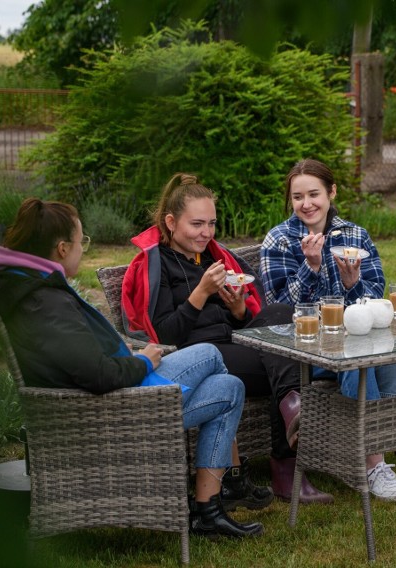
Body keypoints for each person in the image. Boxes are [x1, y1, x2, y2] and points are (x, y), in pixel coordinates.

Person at [0, 197, 263, 539]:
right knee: (210, 356)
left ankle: (208, 510)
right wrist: (142, 360)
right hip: (106, 411)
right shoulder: (45, 302)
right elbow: (99, 376)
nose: (84, 248)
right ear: (62, 248)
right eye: (83, 241)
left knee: (229, 387)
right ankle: (222, 492)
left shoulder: (31, 287)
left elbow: (78, 356)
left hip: (110, 397)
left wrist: (118, 350)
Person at [121, 174, 334, 505]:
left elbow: (243, 321)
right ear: (171, 222)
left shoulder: (212, 257)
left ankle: (292, 414)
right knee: (288, 363)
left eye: (212, 224)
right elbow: (163, 334)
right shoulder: (158, 264)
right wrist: (200, 293)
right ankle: (288, 453)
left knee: (278, 312)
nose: (206, 233)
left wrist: (238, 310)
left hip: (235, 345)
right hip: (199, 357)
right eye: (197, 224)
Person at [261, 158, 396, 503]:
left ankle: (381, 442)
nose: (306, 204)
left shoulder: (355, 235)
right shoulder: (280, 240)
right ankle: (373, 465)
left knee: (390, 349)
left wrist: (352, 282)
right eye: (298, 197)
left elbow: (372, 301)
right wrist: (311, 269)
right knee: (359, 357)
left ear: (331, 193)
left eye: (314, 194)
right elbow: (280, 311)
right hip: (304, 348)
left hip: (355, 337)